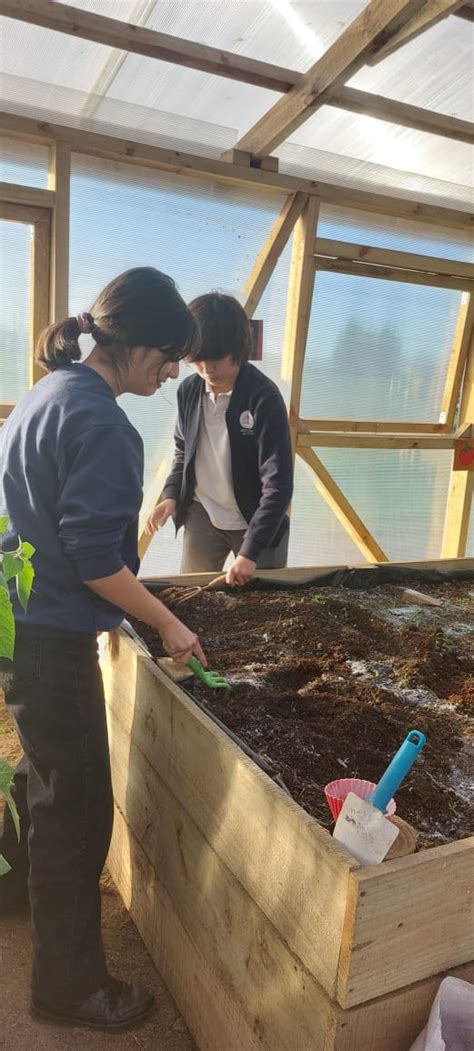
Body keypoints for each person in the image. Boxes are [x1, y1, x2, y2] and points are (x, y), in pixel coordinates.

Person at [0, 267, 207, 1032]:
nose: (174, 370)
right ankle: (66, 986)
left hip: (16, 618)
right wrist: (168, 623)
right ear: (138, 344)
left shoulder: (48, 391)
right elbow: (94, 557)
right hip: (51, 635)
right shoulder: (104, 425)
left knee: (39, 772)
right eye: (169, 354)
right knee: (77, 806)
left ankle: (14, 887)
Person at [146, 293, 293, 585]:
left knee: (264, 607)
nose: (206, 369)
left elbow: (278, 484)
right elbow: (182, 451)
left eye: (215, 359)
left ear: (238, 349)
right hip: (203, 514)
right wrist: (171, 496)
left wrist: (250, 552)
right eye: (196, 360)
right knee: (193, 596)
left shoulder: (263, 397)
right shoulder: (189, 391)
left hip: (257, 521)